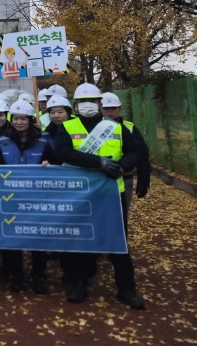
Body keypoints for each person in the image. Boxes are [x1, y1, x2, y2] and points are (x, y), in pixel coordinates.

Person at [53, 83, 145, 310]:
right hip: (79, 193)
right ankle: (79, 284)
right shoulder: (67, 126)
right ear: (75, 105)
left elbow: (136, 151)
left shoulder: (114, 126)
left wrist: (122, 166)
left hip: (112, 193)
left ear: (100, 104)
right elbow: (63, 152)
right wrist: (99, 162)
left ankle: (126, 288)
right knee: (80, 238)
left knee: (118, 242)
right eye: (83, 102)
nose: (88, 105)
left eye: (93, 101)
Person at [0, 100, 57, 293]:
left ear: (30, 120)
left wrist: (49, 163)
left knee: (37, 238)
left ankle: (39, 276)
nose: (19, 122)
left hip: (37, 196)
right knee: (13, 237)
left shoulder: (43, 140)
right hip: (11, 196)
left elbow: (57, 162)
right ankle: (16, 275)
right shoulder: (2, 141)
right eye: (16, 119)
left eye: (23, 119)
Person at [100, 92, 152, 217]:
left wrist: (144, 181)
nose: (110, 112)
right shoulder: (93, 127)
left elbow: (142, 154)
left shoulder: (129, 128)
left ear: (119, 109)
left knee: (120, 215)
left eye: (113, 108)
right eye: (106, 109)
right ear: (100, 109)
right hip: (99, 177)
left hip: (124, 177)